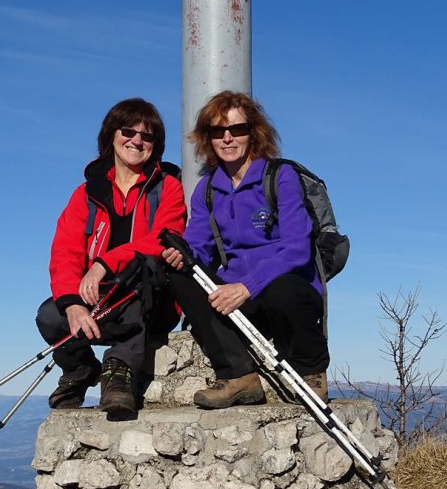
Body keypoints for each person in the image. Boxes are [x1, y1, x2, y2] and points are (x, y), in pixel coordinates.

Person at [162, 91, 330, 409]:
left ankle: (311, 370)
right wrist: (183, 256)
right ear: (207, 138)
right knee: (181, 272)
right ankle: (239, 377)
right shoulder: (207, 190)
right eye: (217, 131)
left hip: (282, 292)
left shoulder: (281, 177)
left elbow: (297, 250)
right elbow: (200, 245)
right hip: (238, 296)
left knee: (286, 288)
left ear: (253, 133)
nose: (227, 138)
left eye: (236, 129)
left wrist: (246, 286)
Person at [37, 98, 186, 417]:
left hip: (152, 298)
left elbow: (163, 240)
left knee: (141, 273)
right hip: (101, 301)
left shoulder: (168, 188)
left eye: (147, 136)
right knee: (51, 316)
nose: (137, 140)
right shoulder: (86, 194)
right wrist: (73, 304)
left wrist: (105, 263)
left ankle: (119, 373)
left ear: (155, 145)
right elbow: (64, 252)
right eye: (128, 131)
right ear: (111, 135)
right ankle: (80, 370)